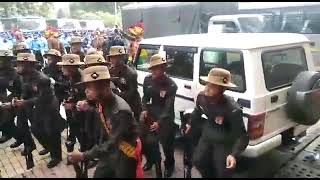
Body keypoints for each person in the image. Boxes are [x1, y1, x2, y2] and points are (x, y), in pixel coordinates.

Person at [68, 65, 143, 178]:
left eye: (90, 88)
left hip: (125, 153)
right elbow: (99, 111)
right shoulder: (102, 100)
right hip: (109, 152)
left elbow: (112, 143)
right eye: (86, 87)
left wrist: (84, 155)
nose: (86, 91)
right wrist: (87, 105)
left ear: (105, 88)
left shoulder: (120, 111)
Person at [186, 68, 249, 178]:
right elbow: (198, 110)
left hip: (224, 140)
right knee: (198, 161)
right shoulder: (202, 97)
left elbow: (242, 136)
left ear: (222, 89)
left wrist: (233, 155)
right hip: (208, 134)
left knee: (222, 171)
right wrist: (190, 123)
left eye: (212, 86)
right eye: (207, 84)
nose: (207, 88)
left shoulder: (232, 109)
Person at [140, 54, 178, 178]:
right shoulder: (147, 80)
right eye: (153, 68)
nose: (154, 71)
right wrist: (144, 109)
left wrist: (159, 123)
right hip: (150, 115)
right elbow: (145, 97)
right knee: (146, 142)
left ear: (163, 69)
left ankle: (169, 165)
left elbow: (168, 107)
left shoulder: (171, 85)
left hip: (165, 118)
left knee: (167, 145)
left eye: (158, 68)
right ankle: (151, 160)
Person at [57, 54, 86, 165]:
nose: (62, 68)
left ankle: (87, 157)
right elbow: (74, 93)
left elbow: (89, 101)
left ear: (72, 67)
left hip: (84, 115)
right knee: (75, 132)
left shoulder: (82, 79)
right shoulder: (72, 76)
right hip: (75, 114)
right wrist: (70, 99)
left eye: (65, 66)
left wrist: (73, 106)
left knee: (84, 136)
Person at [108, 46, 142, 122]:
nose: (112, 60)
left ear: (122, 58)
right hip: (119, 103)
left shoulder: (130, 73)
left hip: (132, 104)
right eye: (112, 57)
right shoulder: (111, 71)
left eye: (116, 57)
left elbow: (131, 93)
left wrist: (114, 96)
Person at [0, 50, 22, 146]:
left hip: (13, 102)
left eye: (7, 60)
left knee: (6, 122)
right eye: (2, 60)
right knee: (6, 123)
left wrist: (14, 103)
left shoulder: (16, 73)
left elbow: (21, 91)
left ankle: (24, 140)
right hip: (2, 101)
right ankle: (19, 137)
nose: (3, 62)